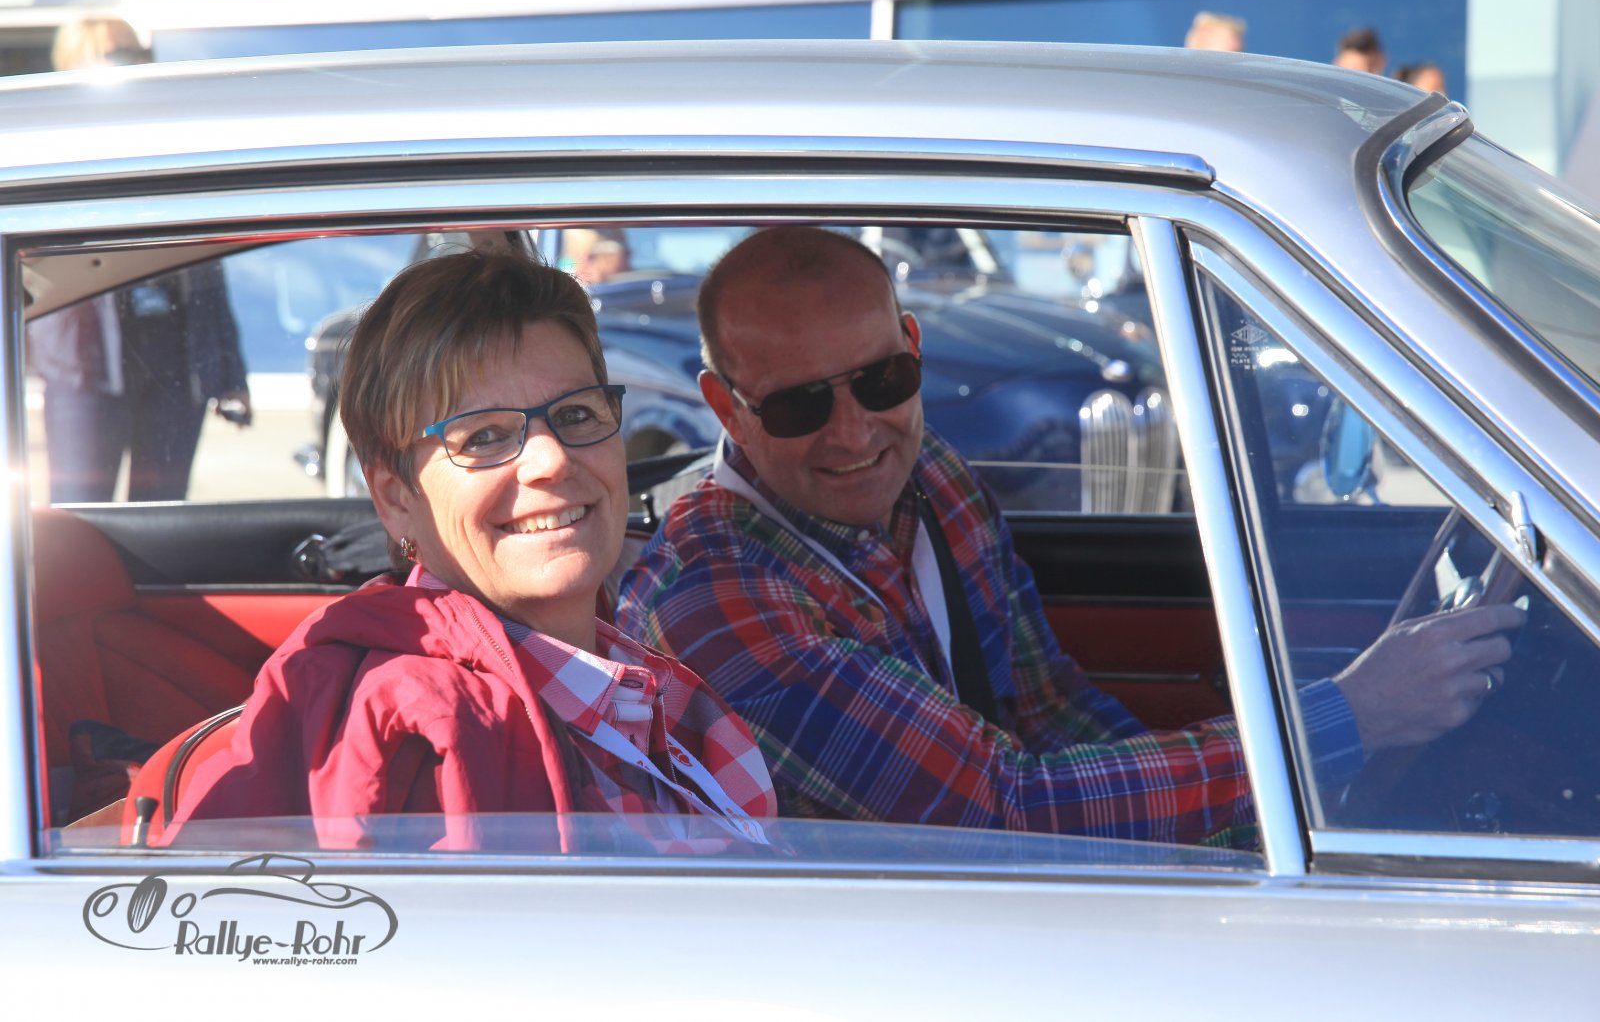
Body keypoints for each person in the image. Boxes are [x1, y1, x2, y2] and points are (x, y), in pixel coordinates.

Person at [615, 226, 1523, 847]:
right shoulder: (715, 600)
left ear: (913, 347)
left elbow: (1049, 708)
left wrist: (1232, 841)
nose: (855, 433)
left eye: (883, 380)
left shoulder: (931, 475)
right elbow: (1001, 807)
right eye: (801, 404)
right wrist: (1337, 723)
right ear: (725, 406)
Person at [167, 249, 775, 851]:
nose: (552, 459)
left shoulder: (641, 687)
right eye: (483, 436)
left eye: (575, 414)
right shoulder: (410, 735)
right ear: (396, 498)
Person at [27, 14, 250, 502]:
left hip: (174, 351)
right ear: (76, 66)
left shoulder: (170, 139)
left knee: (162, 510)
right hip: (83, 359)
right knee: (80, 511)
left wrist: (229, 369)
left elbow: (207, 260)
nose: (128, 65)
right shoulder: (51, 143)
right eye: (113, 56)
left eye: (135, 54)